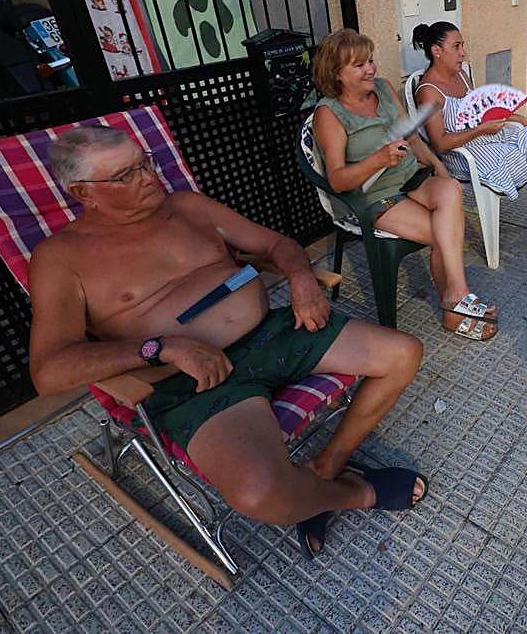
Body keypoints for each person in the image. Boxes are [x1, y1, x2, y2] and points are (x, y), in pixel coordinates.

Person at [28, 126, 428, 561]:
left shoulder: (186, 206)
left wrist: (300, 280)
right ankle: (355, 492)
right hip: (195, 381)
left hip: (272, 334)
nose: (149, 176)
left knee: (402, 353)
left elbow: (276, 244)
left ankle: (326, 468)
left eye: (145, 162)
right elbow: (49, 369)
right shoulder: (61, 259)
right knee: (262, 496)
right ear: (84, 193)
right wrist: (159, 348)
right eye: (127, 174)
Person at [312, 28, 498, 341]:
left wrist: (439, 166)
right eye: (359, 65)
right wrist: (377, 160)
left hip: (411, 178)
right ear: (336, 73)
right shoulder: (330, 114)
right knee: (447, 233)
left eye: (370, 60)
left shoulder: (384, 89)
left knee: (451, 190)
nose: (371, 69)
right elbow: (337, 179)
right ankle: (455, 304)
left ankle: (455, 296)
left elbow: (411, 135)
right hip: (375, 195)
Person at [411, 21, 527, 246]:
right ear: (437, 51)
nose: (463, 52)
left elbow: (480, 111)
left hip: (489, 138)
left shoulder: (461, 75)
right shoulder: (429, 92)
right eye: (457, 46)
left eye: (463, 45)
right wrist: (482, 129)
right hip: (464, 154)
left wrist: (515, 117)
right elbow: (440, 143)